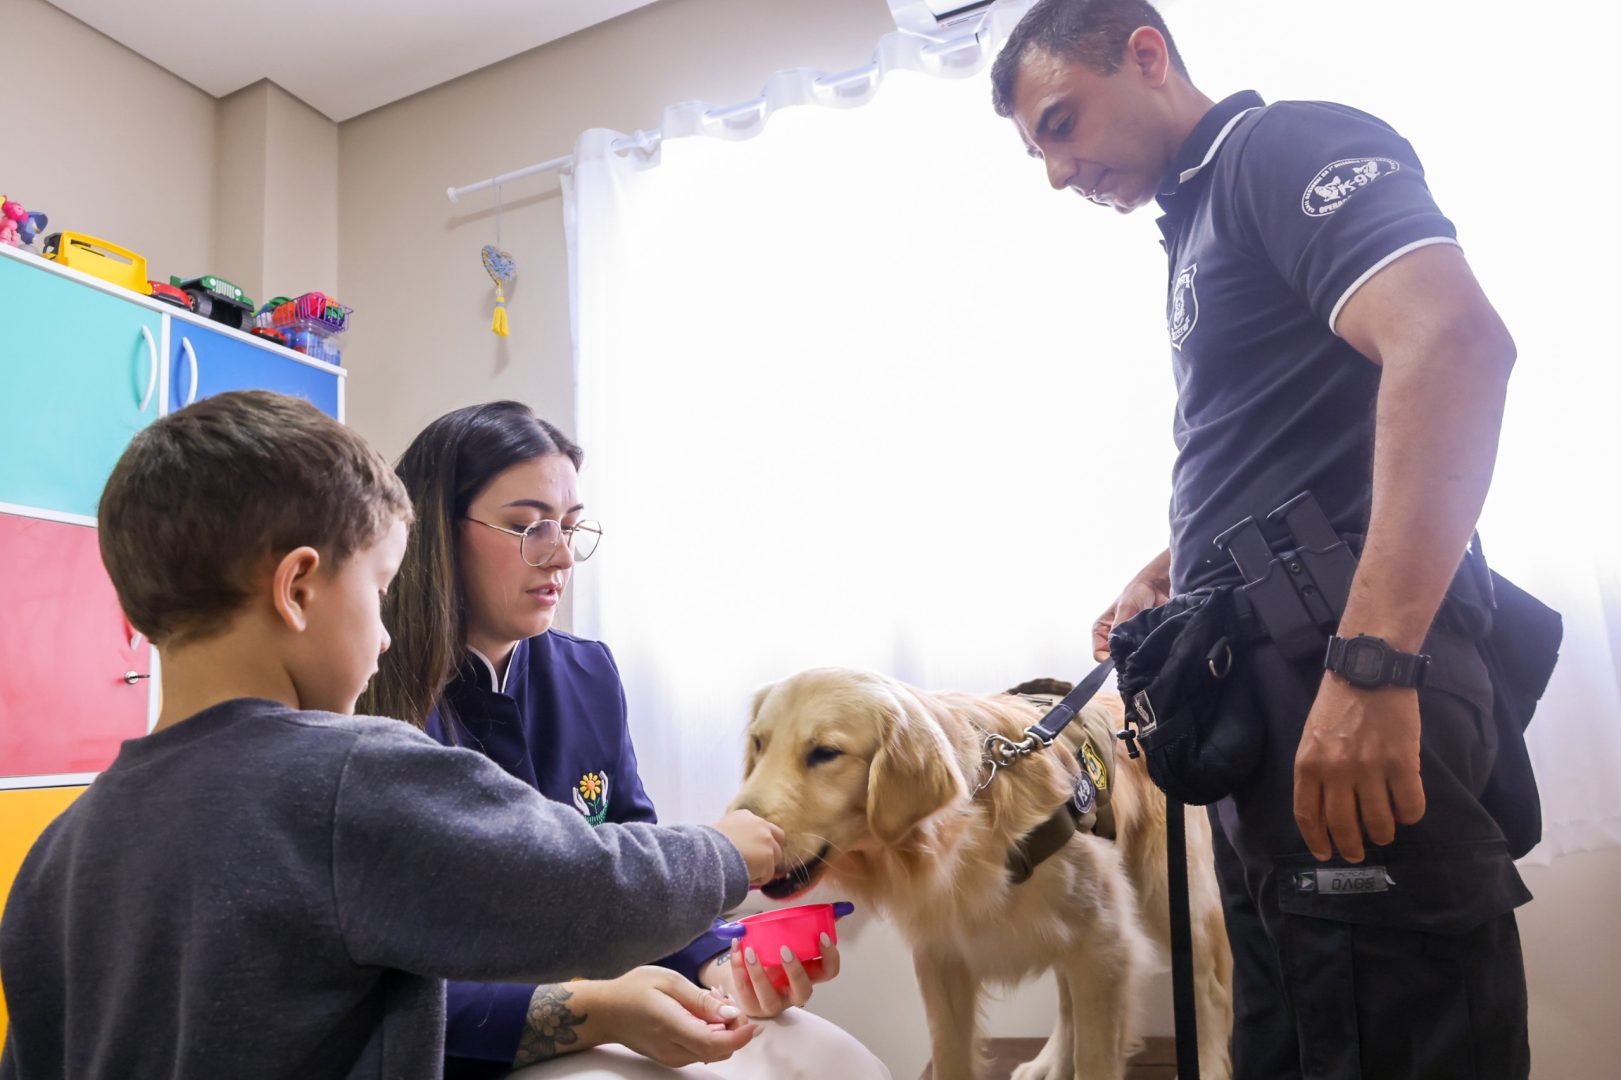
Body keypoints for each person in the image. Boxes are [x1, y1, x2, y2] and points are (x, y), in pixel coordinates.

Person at [991, 2, 1537, 1077]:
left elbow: (1454, 344)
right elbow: (1303, 437)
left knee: (1390, 1035)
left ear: (1146, 55)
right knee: (1297, 1030)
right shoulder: (1196, 219)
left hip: (1344, 668)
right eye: (1035, 151)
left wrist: (1373, 665)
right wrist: (1179, 567)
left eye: (1061, 123)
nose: (1056, 172)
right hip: (1276, 695)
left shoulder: (1278, 149)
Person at [0, 391, 786, 1080]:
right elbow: (587, 890)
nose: (383, 633)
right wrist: (729, 851)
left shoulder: (57, 854)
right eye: (378, 590)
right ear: (297, 589)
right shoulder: (347, 775)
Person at [361, 401, 889, 1079]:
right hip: (477, 1042)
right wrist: (599, 1009)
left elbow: (636, 868)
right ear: (435, 531)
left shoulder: (587, 674)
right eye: (526, 526)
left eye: (570, 527)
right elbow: (388, 990)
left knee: (839, 1061)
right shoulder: (371, 701)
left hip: (606, 1000)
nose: (560, 555)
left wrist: (718, 963)